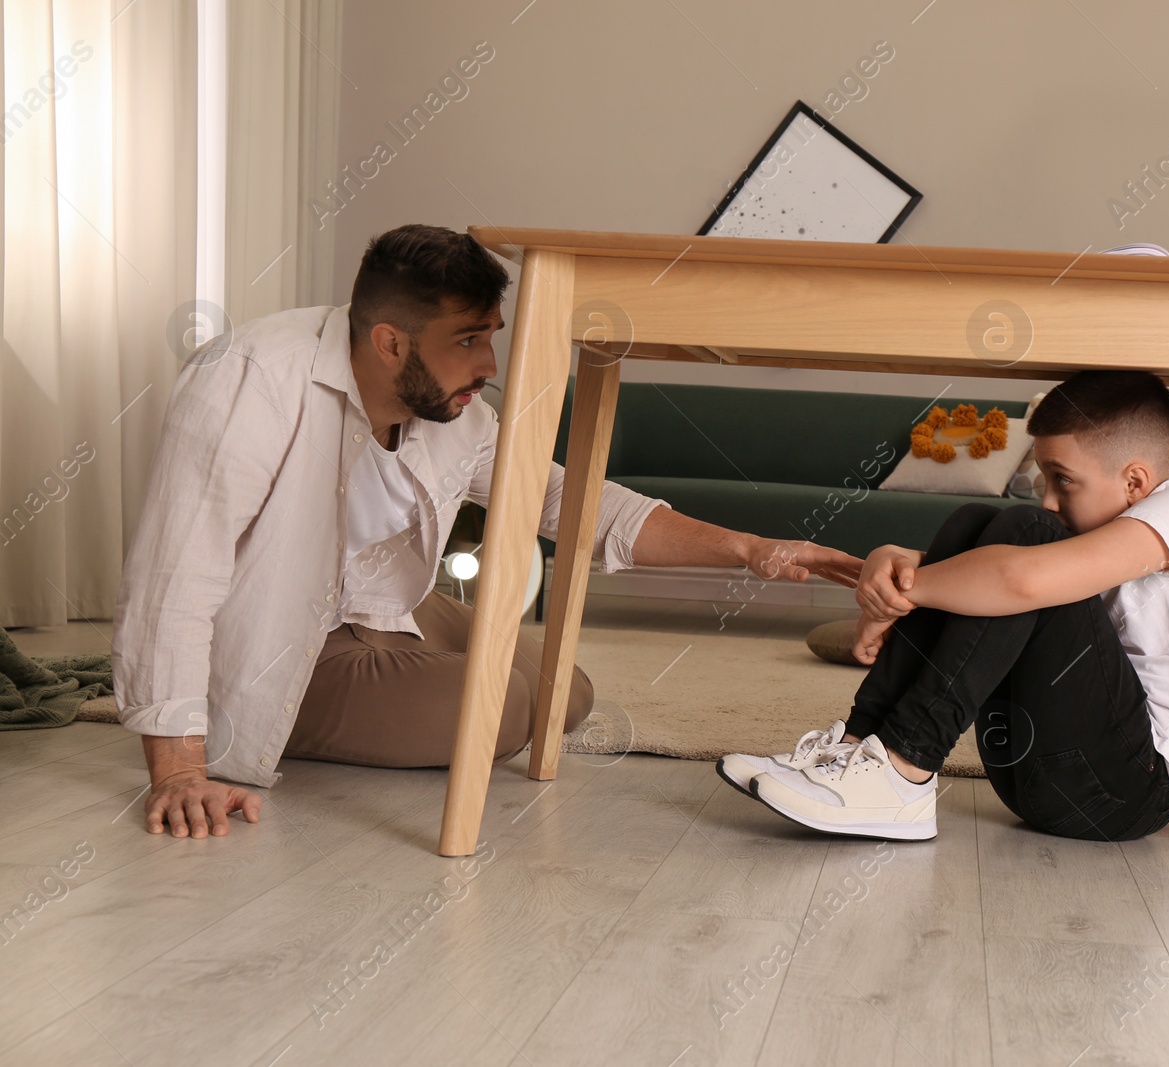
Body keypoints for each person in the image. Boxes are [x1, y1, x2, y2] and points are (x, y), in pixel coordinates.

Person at [113, 224, 862, 840]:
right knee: (503, 707)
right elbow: (174, 575)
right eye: (469, 340)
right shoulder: (249, 379)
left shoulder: (458, 412)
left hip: (383, 605)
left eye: (492, 336)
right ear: (390, 343)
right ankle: (247, 717)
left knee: (567, 688)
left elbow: (569, 501)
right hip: (284, 633)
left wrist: (753, 550)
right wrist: (179, 769)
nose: (489, 363)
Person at [719, 370, 1169, 842]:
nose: (1051, 498)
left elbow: (1022, 581)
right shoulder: (1137, 519)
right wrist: (898, 563)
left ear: (1135, 480)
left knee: (1026, 532)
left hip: (1127, 793)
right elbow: (991, 567)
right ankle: (858, 749)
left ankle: (904, 771)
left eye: (1063, 481)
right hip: (1050, 769)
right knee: (978, 523)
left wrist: (905, 593)